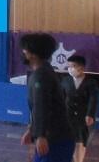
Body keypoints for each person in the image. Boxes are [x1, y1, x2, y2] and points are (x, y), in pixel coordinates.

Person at [19, 33, 75, 162]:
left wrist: (40, 135)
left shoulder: (41, 76)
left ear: (33, 54)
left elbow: (42, 106)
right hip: (56, 137)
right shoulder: (44, 71)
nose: (22, 52)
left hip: (56, 139)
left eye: (25, 50)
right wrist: (32, 129)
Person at [61, 55, 98, 162]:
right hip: (67, 116)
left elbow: (93, 99)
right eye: (68, 66)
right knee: (66, 140)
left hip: (83, 117)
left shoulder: (91, 83)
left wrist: (90, 114)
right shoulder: (65, 81)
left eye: (73, 66)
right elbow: (61, 97)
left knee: (80, 141)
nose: (70, 69)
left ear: (81, 67)